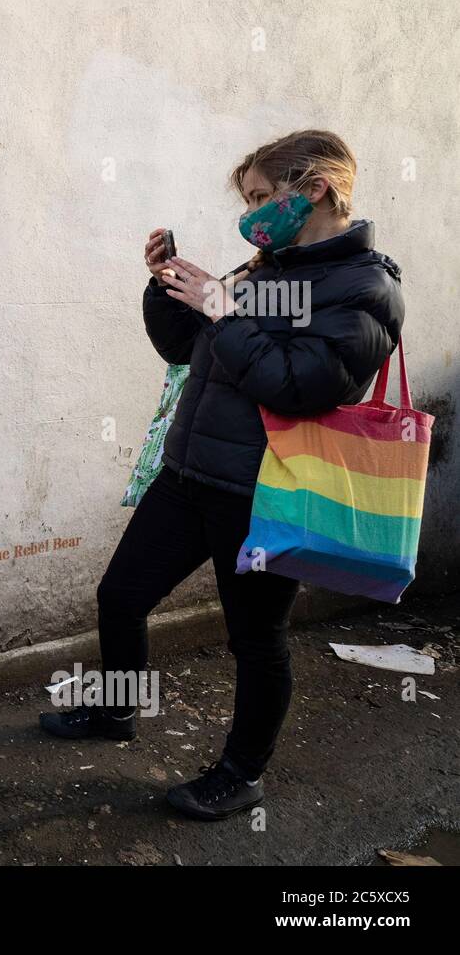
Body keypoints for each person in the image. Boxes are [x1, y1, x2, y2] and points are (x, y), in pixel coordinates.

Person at [40, 130, 404, 820]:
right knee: (120, 595)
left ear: (316, 188)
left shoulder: (365, 289)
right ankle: (117, 712)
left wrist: (224, 308)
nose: (253, 213)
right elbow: (186, 346)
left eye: (264, 196)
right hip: (190, 473)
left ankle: (242, 774)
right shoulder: (266, 265)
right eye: (248, 200)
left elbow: (300, 386)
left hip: (268, 490)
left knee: (255, 640)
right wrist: (167, 287)